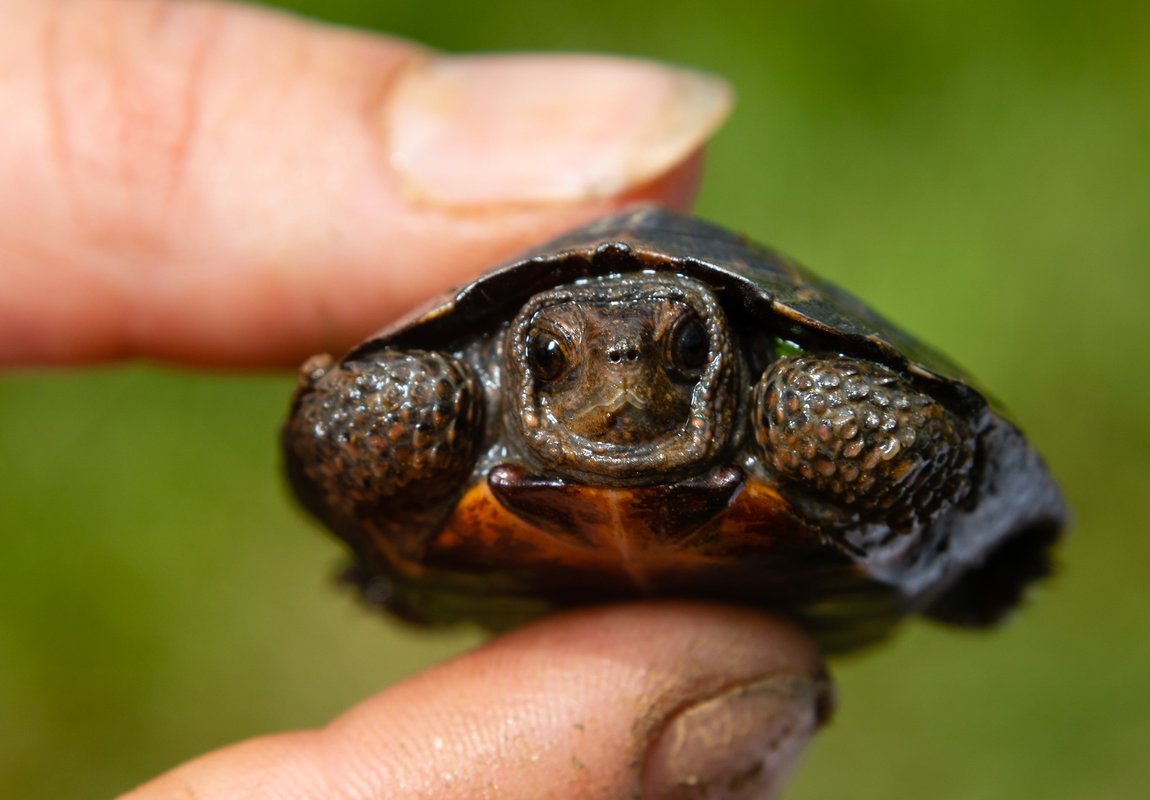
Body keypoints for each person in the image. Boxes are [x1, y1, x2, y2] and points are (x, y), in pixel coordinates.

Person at [1, 2, 828, 797]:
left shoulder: (785, 405)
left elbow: (922, 438)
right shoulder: (451, 402)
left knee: (822, 412)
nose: (619, 370)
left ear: (716, 355)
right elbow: (342, 429)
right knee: (416, 397)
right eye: (554, 356)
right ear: (524, 362)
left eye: (682, 351)